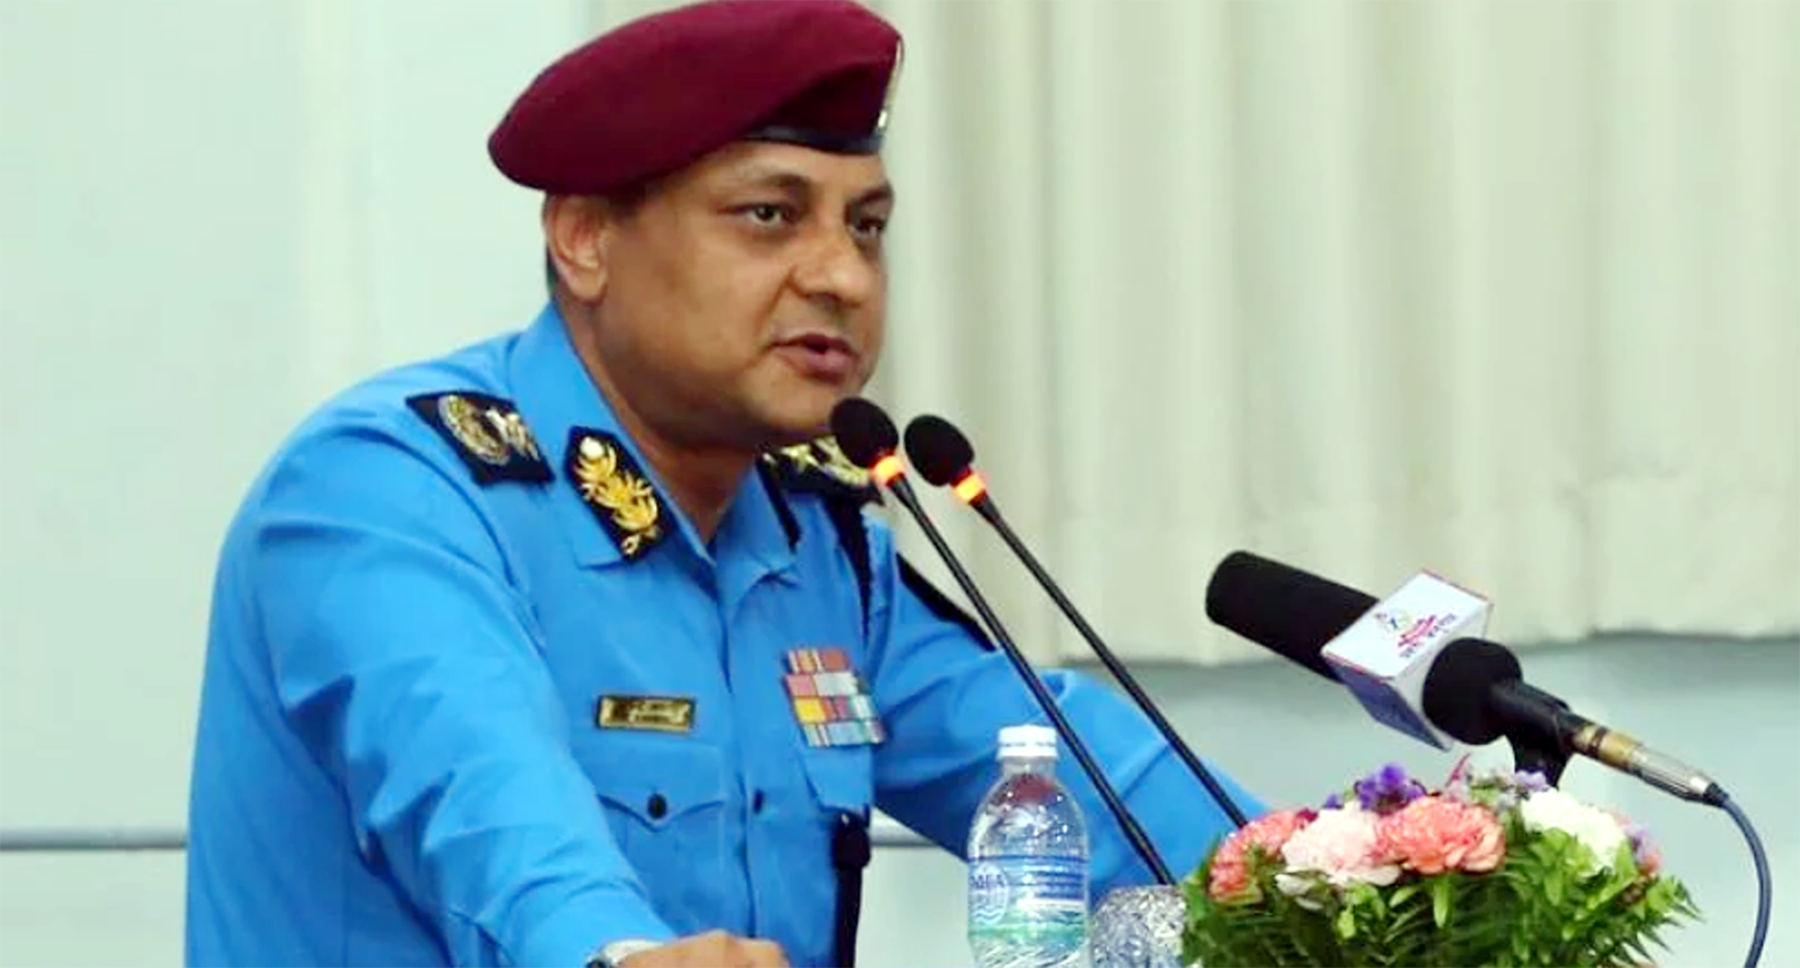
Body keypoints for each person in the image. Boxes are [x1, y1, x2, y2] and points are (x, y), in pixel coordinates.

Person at [183, 1, 1260, 966]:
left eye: (867, 226)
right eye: (770, 215)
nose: (841, 275)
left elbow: (1083, 780)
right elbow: (485, 803)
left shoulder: (817, 543)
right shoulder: (389, 494)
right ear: (584, 238)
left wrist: (1329, 872)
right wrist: (614, 953)